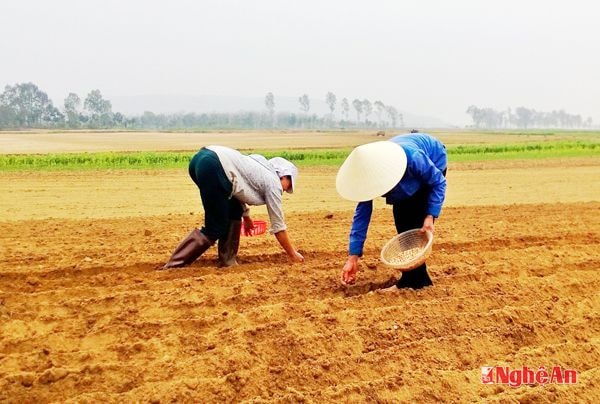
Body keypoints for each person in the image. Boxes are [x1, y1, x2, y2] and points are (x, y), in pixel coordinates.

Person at [162, 145, 304, 269]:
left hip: (201, 159)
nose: (286, 190)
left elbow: (237, 188)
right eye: (289, 185)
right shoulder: (273, 183)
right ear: (283, 176)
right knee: (215, 227)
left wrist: (246, 216)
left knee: (234, 210)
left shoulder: (260, 165)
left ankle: (227, 260)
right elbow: (278, 225)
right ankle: (173, 265)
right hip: (213, 166)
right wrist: (293, 254)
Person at [336, 132, 447, 289]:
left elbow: (438, 182)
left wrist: (430, 215)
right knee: (402, 217)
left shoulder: (413, 157)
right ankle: (414, 280)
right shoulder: (369, 174)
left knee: (414, 220)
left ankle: (416, 283)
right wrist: (353, 257)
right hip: (409, 168)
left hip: (434, 159)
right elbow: (362, 215)